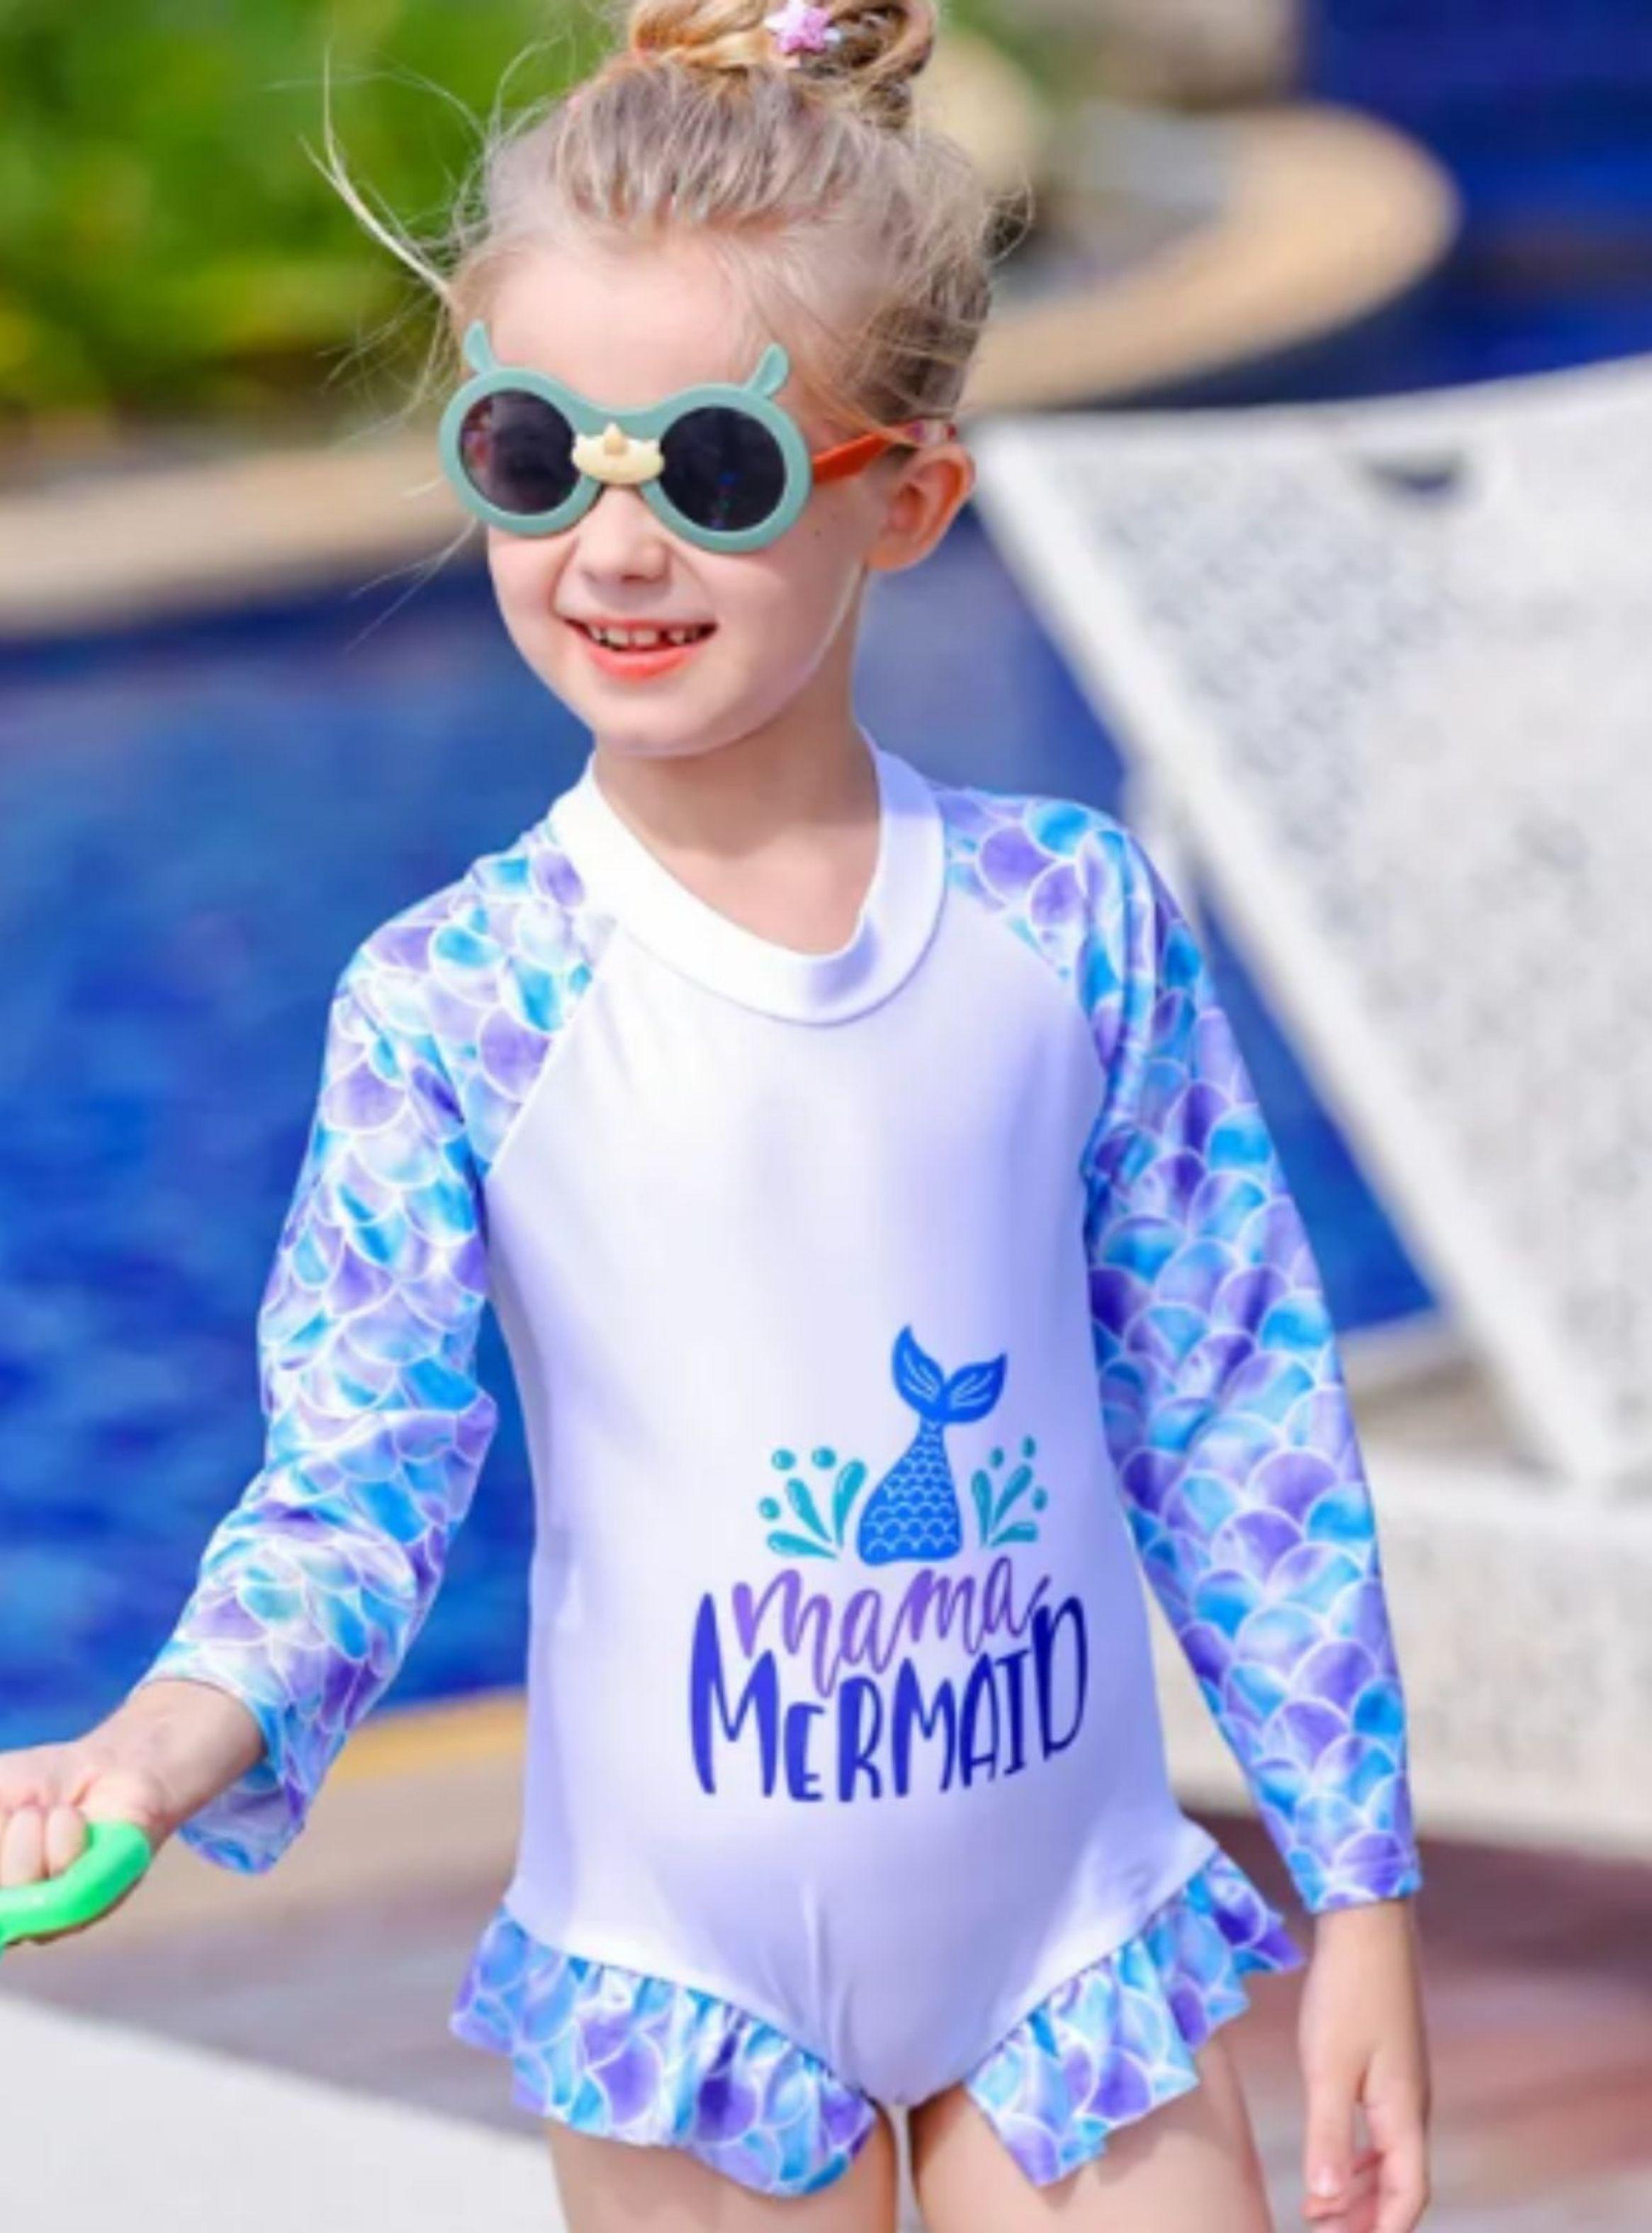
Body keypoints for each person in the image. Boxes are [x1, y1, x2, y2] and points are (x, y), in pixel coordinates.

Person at [0, 4, 1432, 2227]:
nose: (612, 544)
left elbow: (1233, 1413)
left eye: (716, 471)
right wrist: (165, 1735)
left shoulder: (1069, 924)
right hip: (690, 1990)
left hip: (1075, 1948)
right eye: (530, 455)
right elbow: (361, 1475)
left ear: (906, 498)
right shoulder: (461, 998)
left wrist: (1359, 1897)